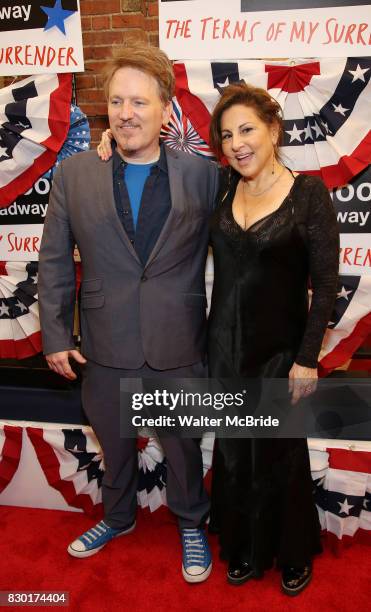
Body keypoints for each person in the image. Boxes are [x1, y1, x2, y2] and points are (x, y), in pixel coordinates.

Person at [38, 43, 219, 583]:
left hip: (177, 340)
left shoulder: (203, 176)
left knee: (184, 447)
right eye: (116, 102)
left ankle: (191, 523)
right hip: (104, 340)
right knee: (114, 442)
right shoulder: (74, 175)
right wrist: (53, 336)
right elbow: (53, 260)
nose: (126, 113)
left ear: (167, 110)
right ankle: (117, 518)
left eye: (139, 102)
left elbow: (242, 237)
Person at [207, 82, 339, 595]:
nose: (237, 143)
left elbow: (326, 285)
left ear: (273, 130)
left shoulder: (308, 194)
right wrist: (106, 147)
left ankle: (290, 552)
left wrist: (307, 359)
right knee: (236, 451)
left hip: (281, 353)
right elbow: (162, 167)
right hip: (224, 347)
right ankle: (242, 546)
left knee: (280, 454)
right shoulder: (221, 185)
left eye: (247, 130)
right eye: (227, 135)